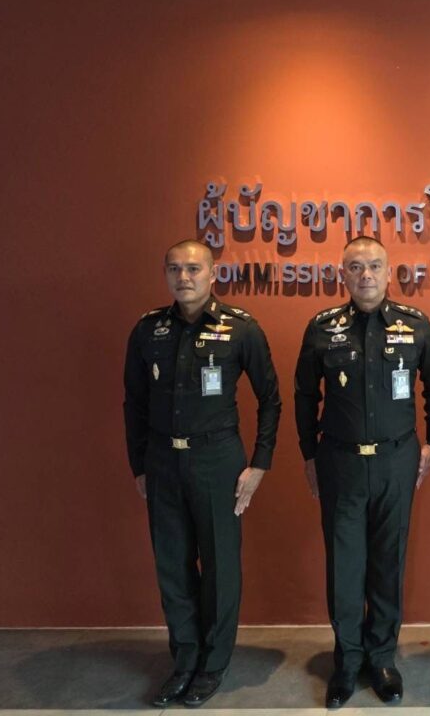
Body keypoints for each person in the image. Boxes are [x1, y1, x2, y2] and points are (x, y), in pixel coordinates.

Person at [123, 239, 281, 708]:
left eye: (193, 269)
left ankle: (212, 663)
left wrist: (260, 463)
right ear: (166, 275)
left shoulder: (241, 328)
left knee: (219, 568)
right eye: (175, 269)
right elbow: (134, 402)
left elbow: (270, 399)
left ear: (214, 274)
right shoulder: (147, 330)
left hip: (218, 461)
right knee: (172, 566)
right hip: (162, 461)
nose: (184, 277)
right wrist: (139, 465)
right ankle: (185, 659)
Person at [294, 236, 430, 709]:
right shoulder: (322, 327)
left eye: (374, 266)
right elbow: (305, 396)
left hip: (395, 461)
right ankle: (346, 661)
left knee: (387, 562)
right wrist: (309, 455)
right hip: (339, 462)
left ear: (388, 271)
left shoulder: (415, 324)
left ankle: (381, 657)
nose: (365, 275)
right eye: (356, 267)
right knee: (344, 567)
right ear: (343, 274)